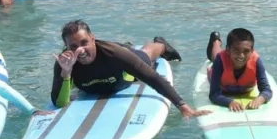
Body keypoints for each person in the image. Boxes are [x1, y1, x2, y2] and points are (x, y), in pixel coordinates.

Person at [51, 20, 209, 118]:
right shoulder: (65, 62)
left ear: (93, 39)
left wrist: (182, 105)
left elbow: (152, 78)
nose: (80, 50)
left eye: (84, 42)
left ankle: (161, 44)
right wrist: (66, 73)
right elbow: (59, 103)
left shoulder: (114, 54)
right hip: (103, 80)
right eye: (73, 46)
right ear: (66, 47)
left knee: (145, 56)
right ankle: (131, 47)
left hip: (123, 76)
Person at [205, 28, 273, 112]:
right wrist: (229, 102)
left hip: (243, 88)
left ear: (252, 51)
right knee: (215, 57)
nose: (241, 56)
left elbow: (266, 90)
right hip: (223, 84)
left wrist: (260, 99)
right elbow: (213, 94)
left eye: (246, 51)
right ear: (228, 50)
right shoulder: (220, 60)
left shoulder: (256, 61)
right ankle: (216, 41)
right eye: (236, 50)